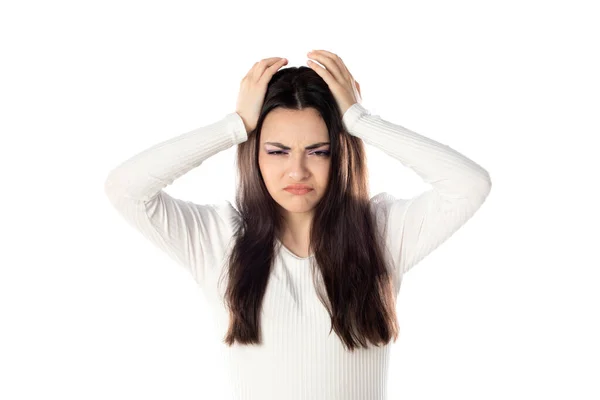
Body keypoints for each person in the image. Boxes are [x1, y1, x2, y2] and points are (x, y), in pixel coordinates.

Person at [104, 50, 492, 400]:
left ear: (339, 154)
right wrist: (235, 125)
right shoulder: (218, 240)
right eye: (277, 151)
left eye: (318, 151)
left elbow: (469, 185)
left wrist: (359, 121)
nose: (297, 171)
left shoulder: (383, 234)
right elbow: (125, 189)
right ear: (254, 154)